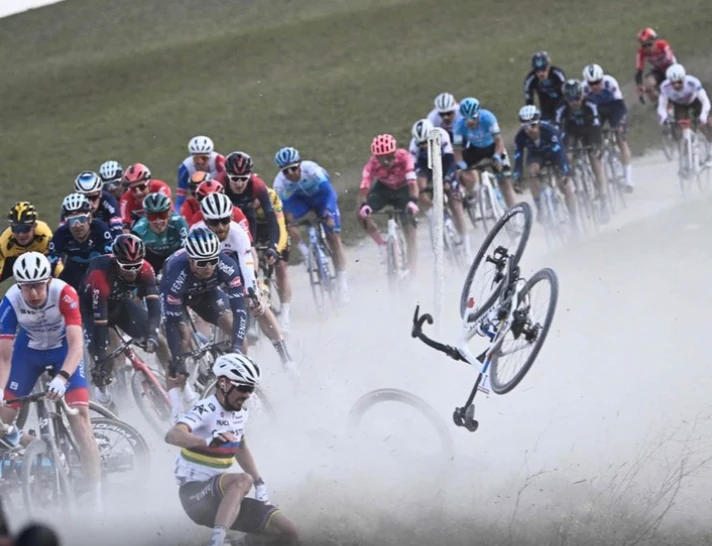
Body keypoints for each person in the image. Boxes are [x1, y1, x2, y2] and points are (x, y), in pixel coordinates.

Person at [0, 252, 102, 511]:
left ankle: (97, 497)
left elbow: (77, 345)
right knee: (1, 420)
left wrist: (63, 376)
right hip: (29, 354)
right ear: (19, 286)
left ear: (47, 281)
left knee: (79, 420)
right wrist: (0, 390)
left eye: (37, 286)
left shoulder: (64, 293)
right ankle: (32, 447)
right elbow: (4, 357)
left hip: (63, 353)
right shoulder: (11, 300)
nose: (33, 294)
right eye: (27, 288)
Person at [165, 353, 299, 546]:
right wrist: (208, 442)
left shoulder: (241, 413)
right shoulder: (206, 409)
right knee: (243, 480)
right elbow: (172, 435)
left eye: (251, 389)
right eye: (243, 388)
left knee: (288, 531)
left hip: (222, 498)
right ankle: (217, 543)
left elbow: (241, 447)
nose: (247, 394)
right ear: (223, 383)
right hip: (194, 496)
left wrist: (260, 484)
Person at [194, 194, 296, 374]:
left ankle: (283, 354)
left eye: (224, 220)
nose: (220, 227)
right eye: (214, 222)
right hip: (207, 270)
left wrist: (251, 291)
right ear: (205, 220)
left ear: (231, 217)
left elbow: (247, 262)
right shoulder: (197, 232)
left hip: (235, 266)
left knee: (258, 304)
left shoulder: (237, 232)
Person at [159, 228, 248, 413]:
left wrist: (237, 348)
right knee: (181, 338)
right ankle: (178, 405)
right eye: (201, 262)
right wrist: (177, 361)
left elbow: (240, 310)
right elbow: (170, 322)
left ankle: (243, 382)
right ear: (190, 260)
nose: (208, 266)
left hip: (207, 293)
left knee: (233, 326)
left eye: (212, 261)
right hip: (179, 297)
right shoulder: (176, 272)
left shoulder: (227, 265)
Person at [80, 234, 170, 407]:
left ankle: (179, 388)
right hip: (93, 310)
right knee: (105, 355)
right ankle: (102, 389)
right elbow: (100, 323)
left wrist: (152, 334)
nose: (132, 271)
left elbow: (154, 306)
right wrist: (100, 358)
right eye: (126, 266)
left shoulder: (145, 268)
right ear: (115, 261)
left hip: (120, 302)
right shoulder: (100, 274)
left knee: (160, 341)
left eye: (136, 266)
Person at [273, 147, 349, 305]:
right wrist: (289, 222)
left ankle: (342, 284)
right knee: (287, 222)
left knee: (333, 237)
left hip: (322, 198)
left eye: (294, 169)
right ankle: (306, 254)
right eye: (286, 171)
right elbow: (284, 208)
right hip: (300, 201)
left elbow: (330, 193)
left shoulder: (312, 170)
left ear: (300, 165)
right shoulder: (279, 182)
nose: (291, 174)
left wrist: (328, 212)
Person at [409, 118, 471, 260]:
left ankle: (467, 251)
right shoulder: (414, 145)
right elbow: (414, 169)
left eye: (426, 141)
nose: (424, 145)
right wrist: (421, 190)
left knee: (455, 204)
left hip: (444, 162)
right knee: (419, 186)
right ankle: (433, 211)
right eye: (421, 143)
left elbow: (450, 161)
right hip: (426, 166)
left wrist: (447, 180)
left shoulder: (441, 135)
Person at [358, 134, 419, 273]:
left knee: (410, 232)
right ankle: (382, 246)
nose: (386, 162)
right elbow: (364, 187)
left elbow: (413, 184)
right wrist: (364, 205)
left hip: (403, 189)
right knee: (359, 214)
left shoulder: (404, 157)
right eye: (382, 158)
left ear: (394, 152)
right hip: (384, 189)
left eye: (390, 157)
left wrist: (413, 202)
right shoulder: (372, 164)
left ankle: (413, 271)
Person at [555, 79, 609, 221]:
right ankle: (572, 185)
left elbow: (596, 125)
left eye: (577, 98)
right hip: (572, 131)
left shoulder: (590, 103)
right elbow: (557, 127)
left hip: (589, 131)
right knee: (567, 156)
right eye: (570, 99)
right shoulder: (561, 107)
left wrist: (598, 144)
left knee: (594, 158)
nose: (575, 102)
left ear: (582, 95)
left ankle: (603, 199)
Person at [513, 105, 577, 224]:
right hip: (536, 155)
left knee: (565, 185)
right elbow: (518, 157)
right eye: (525, 127)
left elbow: (561, 153)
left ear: (539, 123)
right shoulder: (520, 137)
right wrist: (517, 176)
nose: (529, 130)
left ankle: (574, 217)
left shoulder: (550, 130)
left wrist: (565, 171)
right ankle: (540, 208)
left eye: (532, 125)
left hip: (554, 153)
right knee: (532, 172)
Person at [452, 97, 517, 209]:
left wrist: (497, 156)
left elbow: (499, 141)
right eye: (466, 120)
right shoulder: (458, 125)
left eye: (473, 118)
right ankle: (469, 193)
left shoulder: (488, 118)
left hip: (494, 147)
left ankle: (514, 211)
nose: (470, 122)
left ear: (478, 114)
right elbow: (457, 151)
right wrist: (461, 165)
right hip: (475, 149)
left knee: (505, 181)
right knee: (457, 169)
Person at [583, 64, 635, 192]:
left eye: (597, 82)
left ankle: (628, 179)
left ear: (602, 78)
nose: (595, 86)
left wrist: (620, 124)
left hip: (614, 107)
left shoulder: (610, 82)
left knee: (621, 139)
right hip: (596, 110)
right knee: (593, 138)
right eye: (591, 83)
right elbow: (585, 111)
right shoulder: (583, 88)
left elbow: (620, 106)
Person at [47, 194, 113, 290]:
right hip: (74, 269)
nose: (77, 225)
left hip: (98, 267)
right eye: (72, 221)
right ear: (66, 222)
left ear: (89, 218)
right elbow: (50, 266)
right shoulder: (61, 234)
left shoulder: (100, 229)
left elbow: (112, 259)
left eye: (81, 219)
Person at [254, 183, 293, 332]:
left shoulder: (270, 196)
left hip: (274, 228)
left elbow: (281, 228)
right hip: (255, 229)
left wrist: (276, 249)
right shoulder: (241, 199)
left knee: (281, 268)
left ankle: (285, 313)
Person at [657, 63, 712, 155]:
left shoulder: (693, 82)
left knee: (708, 123)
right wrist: (664, 119)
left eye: (679, 82)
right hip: (679, 104)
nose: (677, 85)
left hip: (695, 101)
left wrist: (703, 117)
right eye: (673, 83)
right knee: (679, 130)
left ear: (684, 78)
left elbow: (705, 102)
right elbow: (662, 106)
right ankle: (685, 156)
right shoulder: (665, 87)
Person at [131, 192, 189, 275]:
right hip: (153, 258)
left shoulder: (179, 223)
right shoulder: (138, 231)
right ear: (146, 216)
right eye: (152, 217)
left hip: (176, 254)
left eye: (162, 215)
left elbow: (185, 251)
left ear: (169, 213)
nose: (158, 221)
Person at [0, 202, 56, 283]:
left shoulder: (44, 235)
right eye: (16, 229)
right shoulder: (4, 241)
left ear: (34, 226)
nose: (21, 234)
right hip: (12, 260)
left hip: (41, 259)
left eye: (25, 229)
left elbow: (55, 263)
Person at [68, 171, 123, 238]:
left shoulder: (109, 200)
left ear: (100, 193)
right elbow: (62, 233)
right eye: (85, 198)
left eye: (94, 198)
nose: (90, 203)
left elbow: (117, 231)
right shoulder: (71, 205)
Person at [176, 136, 226, 210]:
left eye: (204, 158)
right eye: (197, 159)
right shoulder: (185, 168)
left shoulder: (219, 162)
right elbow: (180, 198)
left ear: (210, 157)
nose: (201, 162)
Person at [119, 163, 172, 230]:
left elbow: (171, 215)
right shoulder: (125, 199)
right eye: (133, 189)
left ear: (149, 183)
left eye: (141, 187)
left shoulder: (161, 187)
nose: (139, 193)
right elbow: (125, 228)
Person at [635, 27, 676, 104]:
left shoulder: (663, 45)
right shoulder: (640, 52)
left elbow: (669, 60)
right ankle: (661, 105)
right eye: (644, 46)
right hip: (657, 71)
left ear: (656, 41)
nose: (647, 48)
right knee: (648, 84)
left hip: (671, 68)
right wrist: (640, 87)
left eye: (649, 44)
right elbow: (639, 72)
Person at [524, 51, 567, 122]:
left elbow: (566, 93)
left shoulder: (557, 74)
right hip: (545, 110)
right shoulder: (530, 80)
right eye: (537, 70)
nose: (541, 73)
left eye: (544, 69)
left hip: (562, 107)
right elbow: (529, 102)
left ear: (549, 65)